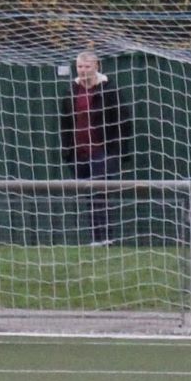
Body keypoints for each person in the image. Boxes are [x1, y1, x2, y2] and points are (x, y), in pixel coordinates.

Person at [58, 50, 132, 247]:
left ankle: (107, 237)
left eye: (87, 66)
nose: (83, 70)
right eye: (80, 67)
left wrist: (118, 151)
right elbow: (64, 123)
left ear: (96, 66)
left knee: (101, 192)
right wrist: (67, 150)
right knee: (88, 194)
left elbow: (123, 120)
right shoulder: (71, 91)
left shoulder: (108, 89)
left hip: (103, 150)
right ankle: (95, 238)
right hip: (79, 152)